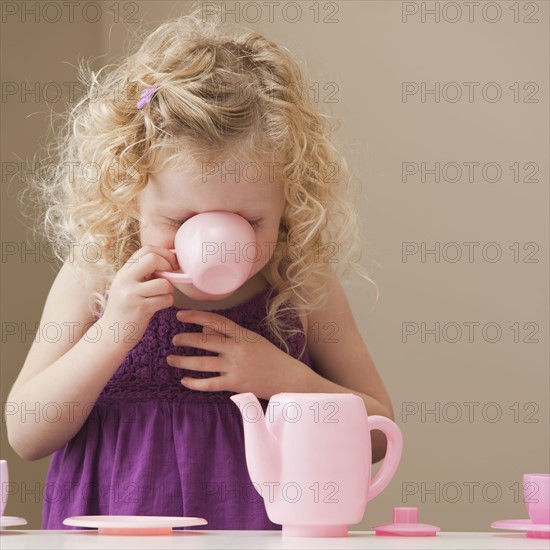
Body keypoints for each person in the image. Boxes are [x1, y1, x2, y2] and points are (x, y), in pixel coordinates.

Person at [6, 5, 394, 530]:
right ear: (128, 193)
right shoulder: (97, 273)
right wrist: (114, 332)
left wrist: (285, 379)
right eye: (183, 219)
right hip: (111, 535)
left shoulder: (299, 281)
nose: (221, 242)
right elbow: (27, 435)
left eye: (249, 220)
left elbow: (376, 433)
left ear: (290, 202)